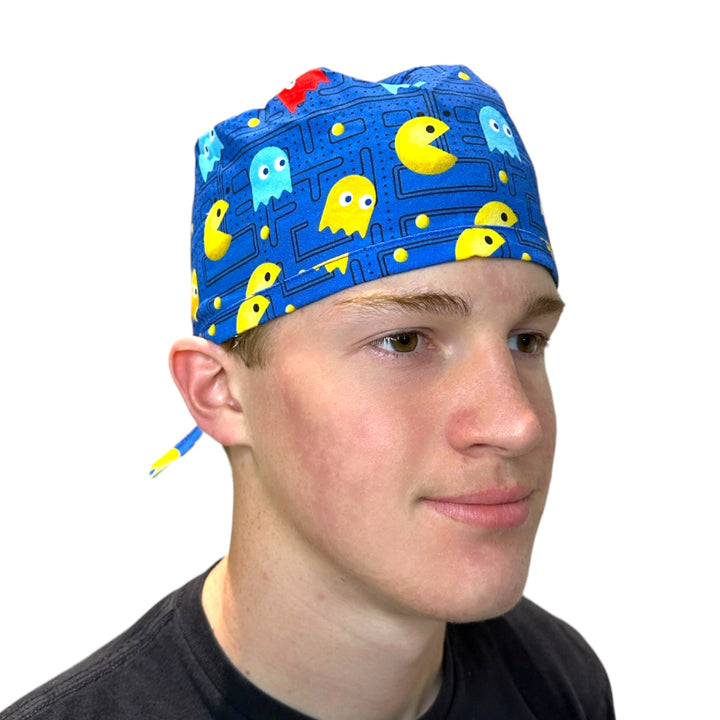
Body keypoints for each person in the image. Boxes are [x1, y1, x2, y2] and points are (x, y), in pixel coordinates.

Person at [1, 64, 614, 719]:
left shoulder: (556, 680)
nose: (517, 422)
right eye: (404, 340)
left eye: (527, 340)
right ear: (220, 393)